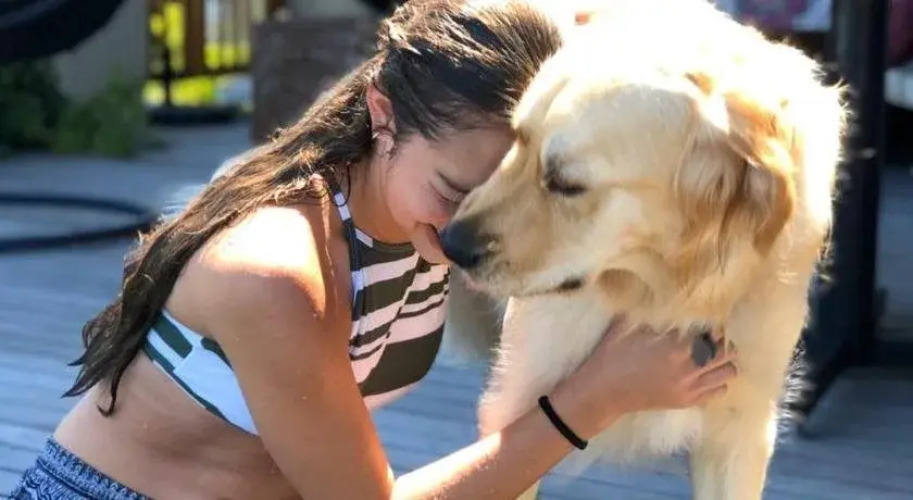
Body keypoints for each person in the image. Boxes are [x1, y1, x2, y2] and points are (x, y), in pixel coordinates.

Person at [10, 1, 738, 498]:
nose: (480, 231)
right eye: (457, 191)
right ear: (383, 114)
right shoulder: (276, 274)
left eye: (517, 197)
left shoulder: (415, 212)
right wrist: (593, 401)